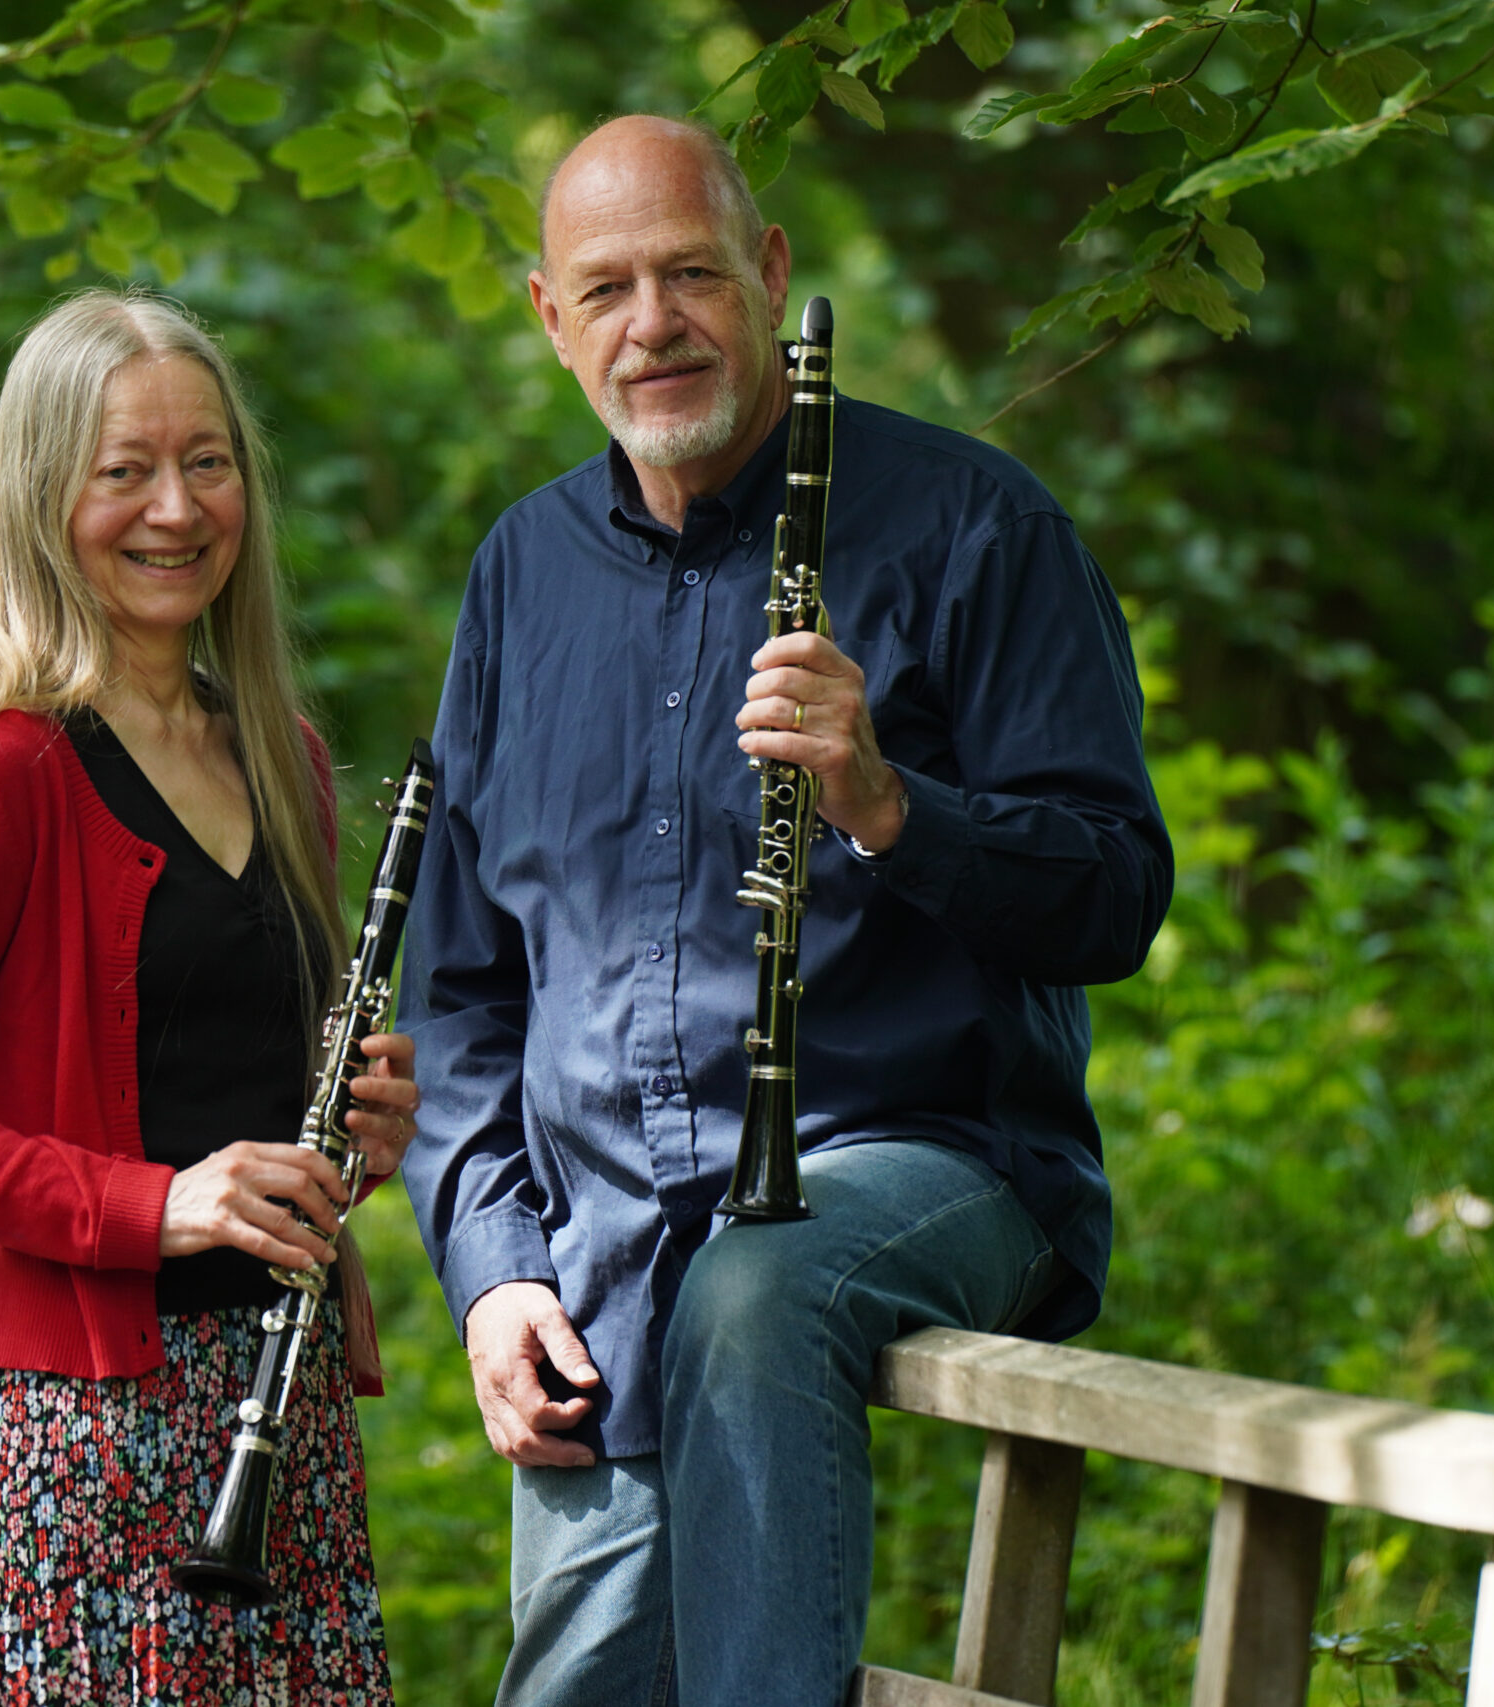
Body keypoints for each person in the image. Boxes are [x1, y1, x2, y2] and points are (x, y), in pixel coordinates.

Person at [397, 117, 1173, 1706]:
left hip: (929, 1155)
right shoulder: (518, 578)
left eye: (690, 273)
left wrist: (890, 805)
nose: (653, 324)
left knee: (754, 1284)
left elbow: (1115, 895)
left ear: (768, 275)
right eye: (606, 289)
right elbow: (463, 994)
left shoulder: (977, 528)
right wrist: (495, 1267)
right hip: (604, 1253)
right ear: (552, 319)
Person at [0, 288, 415, 1706]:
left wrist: (358, 1129)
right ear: (41, 495)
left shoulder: (282, 755)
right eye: (122, 469)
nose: (175, 509)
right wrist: (158, 1206)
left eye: (207, 463)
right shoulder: (0, 771)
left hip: (286, 1410)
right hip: (95, 1443)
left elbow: (230, 1090)